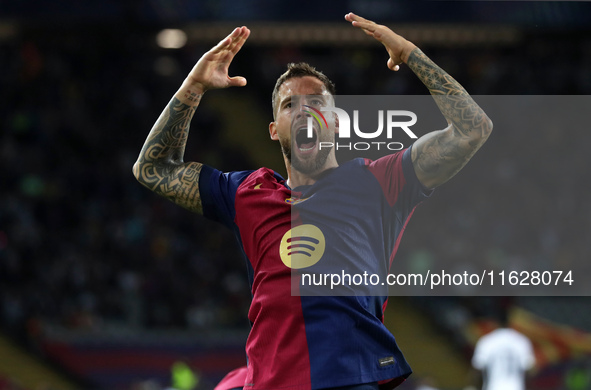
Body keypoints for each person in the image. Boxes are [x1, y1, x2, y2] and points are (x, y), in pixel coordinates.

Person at [133, 12, 493, 390]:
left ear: (335, 121)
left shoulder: (381, 181)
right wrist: (193, 86)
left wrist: (411, 53)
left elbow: (474, 128)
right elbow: (152, 168)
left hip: (351, 379)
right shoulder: (247, 193)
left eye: (316, 102)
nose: (304, 110)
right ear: (273, 130)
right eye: (290, 105)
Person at [471, 311, 535, 390]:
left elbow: (478, 368)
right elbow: (528, 369)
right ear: (510, 322)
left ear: (495, 322)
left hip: (494, 387)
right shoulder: (521, 340)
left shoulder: (487, 341)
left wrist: (473, 386)